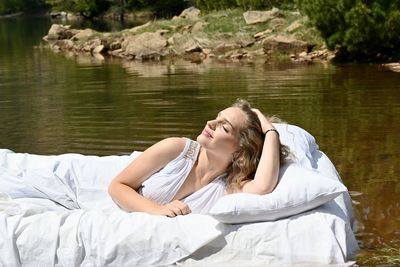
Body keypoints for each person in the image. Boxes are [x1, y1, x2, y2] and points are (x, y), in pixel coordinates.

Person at [108, 99, 289, 217]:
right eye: (217, 118)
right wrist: (157, 211)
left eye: (224, 127)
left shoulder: (229, 186)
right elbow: (117, 186)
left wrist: (271, 132)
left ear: (239, 151)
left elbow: (264, 186)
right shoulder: (176, 149)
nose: (210, 124)